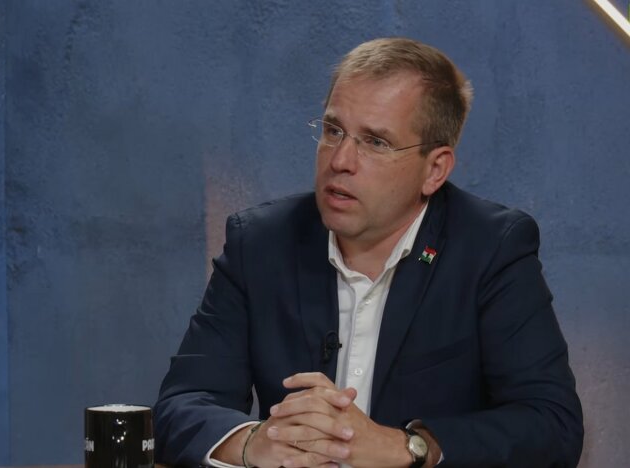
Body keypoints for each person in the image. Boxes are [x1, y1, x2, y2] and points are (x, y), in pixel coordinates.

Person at [154, 37, 583, 468]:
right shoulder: (261, 244)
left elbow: (551, 425)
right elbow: (181, 405)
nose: (341, 160)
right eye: (333, 131)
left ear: (435, 169)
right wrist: (256, 443)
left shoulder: (490, 249)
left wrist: (406, 446)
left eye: (376, 142)